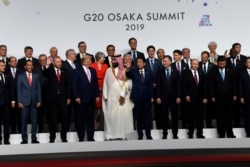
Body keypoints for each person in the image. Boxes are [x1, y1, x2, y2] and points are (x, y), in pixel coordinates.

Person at [102, 55, 134, 140]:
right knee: (111, 116)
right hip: (111, 98)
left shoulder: (125, 70)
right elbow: (105, 83)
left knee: (121, 116)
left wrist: (122, 96)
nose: (113, 62)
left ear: (119, 61)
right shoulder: (108, 70)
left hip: (122, 98)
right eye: (112, 60)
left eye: (115, 60)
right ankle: (110, 135)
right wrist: (105, 95)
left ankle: (122, 135)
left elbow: (128, 84)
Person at [72, 55, 99, 142]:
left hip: (91, 98)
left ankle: (90, 137)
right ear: (84, 62)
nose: (91, 62)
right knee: (80, 119)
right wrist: (76, 96)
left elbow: (95, 84)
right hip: (81, 99)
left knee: (90, 119)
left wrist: (97, 95)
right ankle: (81, 137)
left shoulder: (93, 71)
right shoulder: (76, 71)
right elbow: (74, 85)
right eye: (89, 60)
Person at [126, 56, 153, 140]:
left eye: (140, 62)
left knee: (147, 117)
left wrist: (152, 96)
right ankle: (140, 135)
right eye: (137, 62)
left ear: (144, 63)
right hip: (137, 97)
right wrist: (127, 67)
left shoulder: (149, 72)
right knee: (139, 117)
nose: (138, 63)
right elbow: (127, 74)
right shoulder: (133, 72)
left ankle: (148, 135)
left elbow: (150, 85)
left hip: (147, 97)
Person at [210, 56, 236, 138]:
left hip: (229, 97)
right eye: (220, 63)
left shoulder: (230, 71)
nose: (222, 65)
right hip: (218, 97)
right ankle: (221, 134)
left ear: (226, 63)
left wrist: (235, 94)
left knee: (229, 116)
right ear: (217, 63)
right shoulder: (213, 71)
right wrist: (212, 95)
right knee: (220, 116)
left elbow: (234, 84)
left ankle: (230, 133)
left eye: (223, 63)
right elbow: (211, 85)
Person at [46, 56, 70, 143]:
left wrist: (68, 97)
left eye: (60, 62)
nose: (59, 63)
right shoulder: (48, 71)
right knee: (52, 120)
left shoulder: (65, 72)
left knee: (65, 119)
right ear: (53, 63)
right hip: (52, 100)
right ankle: (52, 138)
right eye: (57, 62)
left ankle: (64, 137)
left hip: (63, 99)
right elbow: (45, 82)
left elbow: (68, 86)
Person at [156, 55, 181, 139]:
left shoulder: (175, 72)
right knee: (164, 116)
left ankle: (175, 134)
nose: (164, 63)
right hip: (163, 98)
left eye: (165, 61)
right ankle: (164, 133)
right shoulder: (160, 72)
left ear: (170, 62)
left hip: (174, 98)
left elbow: (178, 85)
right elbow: (158, 86)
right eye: (163, 61)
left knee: (174, 116)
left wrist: (178, 96)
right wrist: (158, 97)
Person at [17, 60, 41, 144]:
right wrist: (19, 101)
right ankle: (24, 139)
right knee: (24, 121)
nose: (30, 66)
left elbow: (38, 89)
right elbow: (19, 90)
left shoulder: (36, 76)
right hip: (24, 102)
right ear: (25, 66)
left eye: (31, 65)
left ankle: (34, 138)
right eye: (28, 65)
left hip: (34, 101)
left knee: (34, 121)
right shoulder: (20, 76)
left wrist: (39, 100)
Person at [182, 59, 207, 139]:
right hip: (190, 99)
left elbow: (204, 87)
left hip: (200, 99)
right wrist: (186, 95)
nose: (195, 65)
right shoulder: (186, 73)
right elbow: (183, 86)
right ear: (191, 64)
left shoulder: (201, 73)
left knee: (200, 118)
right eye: (194, 64)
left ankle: (200, 133)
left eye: (197, 64)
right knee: (190, 117)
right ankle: (191, 133)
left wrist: (205, 97)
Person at [145, 45, 162, 129]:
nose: (151, 52)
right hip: (148, 88)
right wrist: (150, 83)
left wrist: (156, 83)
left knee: (158, 108)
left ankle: (159, 127)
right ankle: (149, 127)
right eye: (149, 51)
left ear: (154, 52)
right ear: (147, 52)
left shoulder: (159, 62)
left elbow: (161, 74)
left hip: (158, 88)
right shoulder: (144, 62)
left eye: (152, 51)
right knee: (148, 109)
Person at [62, 49, 79, 131]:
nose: (76, 55)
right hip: (67, 94)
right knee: (67, 114)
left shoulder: (77, 64)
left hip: (76, 93)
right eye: (74, 54)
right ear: (69, 55)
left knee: (77, 113)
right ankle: (66, 131)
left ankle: (77, 130)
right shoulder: (63, 65)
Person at [90, 52, 108, 131]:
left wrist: (104, 86)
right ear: (98, 58)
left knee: (103, 109)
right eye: (103, 57)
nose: (104, 59)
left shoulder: (106, 65)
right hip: (94, 87)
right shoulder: (92, 65)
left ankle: (102, 126)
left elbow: (107, 76)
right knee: (94, 109)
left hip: (104, 86)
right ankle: (93, 127)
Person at [171, 49, 188, 128]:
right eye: (173, 55)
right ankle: (176, 126)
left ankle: (184, 125)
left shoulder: (186, 65)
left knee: (184, 109)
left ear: (180, 56)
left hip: (184, 90)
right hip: (174, 90)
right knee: (175, 110)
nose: (174, 57)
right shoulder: (171, 65)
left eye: (176, 55)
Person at [198, 51, 215, 128]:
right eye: (202, 57)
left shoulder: (213, 66)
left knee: (209, 109)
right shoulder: (197, 64)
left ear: (208, 57)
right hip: (199, 90)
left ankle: (209, 125)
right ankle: (200, 125)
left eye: (205, 57)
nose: (203, 59)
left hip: (210, 91)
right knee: (199, 109)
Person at [6, 56, 22, 134]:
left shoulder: (21, 71)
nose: (14, 62)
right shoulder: (5, 71)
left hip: (19, 97)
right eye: (12, 61)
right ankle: (12, 133)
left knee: (20, 116)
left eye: (15, 61)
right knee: (11, 116)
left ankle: (20, 132)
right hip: (9, 98)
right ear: (9, 63)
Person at [33, 54, 49, 133]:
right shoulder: (36, 69)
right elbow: (41, 81)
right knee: (40, 113)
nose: (43, 61)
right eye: (41, 60)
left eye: (44, 60)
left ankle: (49, 129)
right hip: (39, 95)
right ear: (39, 61)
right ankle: (41, 129)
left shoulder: (49, 68)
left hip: (49, 96)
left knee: (49, 113)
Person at [0, 60, 12, 144]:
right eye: (1, 66)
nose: (3, 67)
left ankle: (6, 139)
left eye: (4, 66)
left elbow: (10, 90)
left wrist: (12, 100)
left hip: (6, 103)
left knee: (7, 122)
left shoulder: (7, 76)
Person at [239, 57, 250, 137]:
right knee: (247, 116)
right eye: (248, 62)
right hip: (246, 98)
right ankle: (249, 133)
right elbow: (240, 86)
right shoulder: (242, 73)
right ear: (245, 64)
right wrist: (241, 97)